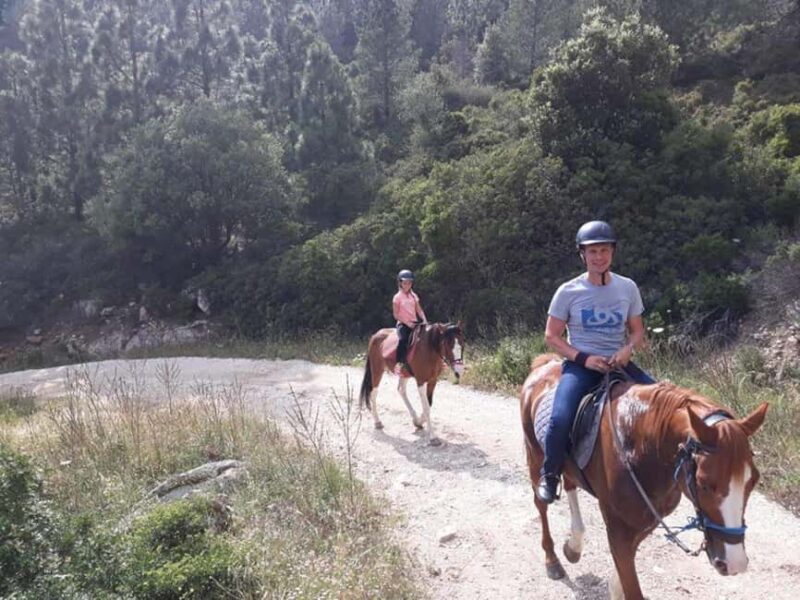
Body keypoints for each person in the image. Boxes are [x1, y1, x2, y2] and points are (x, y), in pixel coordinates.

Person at [536, 220, 656, 504]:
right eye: (593, 252)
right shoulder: (568, 291)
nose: (599, 257)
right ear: (582, 255)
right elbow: (552, 336)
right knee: (560, 417)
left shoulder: (627, 287)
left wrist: (628, 349)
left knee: (663, 403)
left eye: (604, 250)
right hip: (581, 365)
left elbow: (638, 330)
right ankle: (550, 474)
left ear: (612, 252)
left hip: (619, 363)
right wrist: (584, 359)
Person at [393, 269, 428, 374]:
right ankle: (399, 363)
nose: (407, 285)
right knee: (403, 340)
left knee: (428, 338)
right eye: (405, 283)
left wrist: (424, 320)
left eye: (409, 283)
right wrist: (407, 323)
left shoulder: (414, 296)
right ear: (400, 283)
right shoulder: (397, 297)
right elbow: (396, 314)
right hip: (403, 324)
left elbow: (419, 310)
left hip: (415, 323)